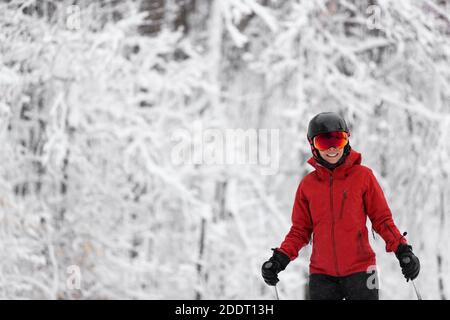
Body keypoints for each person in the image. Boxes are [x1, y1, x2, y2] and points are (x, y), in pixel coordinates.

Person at [261, 112, 420, 300]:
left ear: (347, 140)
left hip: (361, 271)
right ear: (313, 145)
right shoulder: (308, 185)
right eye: (323, 142)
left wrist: (403, 250)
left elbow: (382, 220)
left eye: (338, 140)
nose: (332, 148)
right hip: (322, 275)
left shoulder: (363, 177)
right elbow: (300, 231)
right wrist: (279, 259)